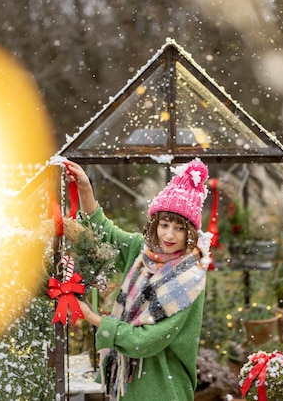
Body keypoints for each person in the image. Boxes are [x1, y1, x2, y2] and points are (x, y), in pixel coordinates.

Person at [63, 158, 212, 401]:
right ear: (156, 225)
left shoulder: (188, 278)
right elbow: (104, 233)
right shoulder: (142, 253)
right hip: (128, 384)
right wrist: (85, 189)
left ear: (191, 232)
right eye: (164, 224)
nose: (169, 235)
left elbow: (147, 340)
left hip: (163, 388)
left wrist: (92, 317)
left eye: (179, 228)